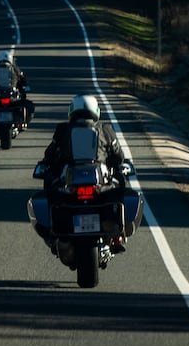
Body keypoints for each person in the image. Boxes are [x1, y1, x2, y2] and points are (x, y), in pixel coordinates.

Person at [37, 94, 127, 252]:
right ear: (96, 111)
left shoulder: (63, 130)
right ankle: (118, 234)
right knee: (119, 184)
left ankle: (53, 235)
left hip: (72, 183)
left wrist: (46, 166)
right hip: (97, 182)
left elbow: (50, 155)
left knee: (50, 187)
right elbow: (119, 157)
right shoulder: (105, 130)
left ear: (72, 111)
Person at [0, 49, 32, 127]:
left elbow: (22, 81)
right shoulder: (14, 69)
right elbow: (22, 80)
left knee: (27, 105)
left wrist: (24, 88)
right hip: (2, 97)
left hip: (9, 97)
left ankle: (22, 122)